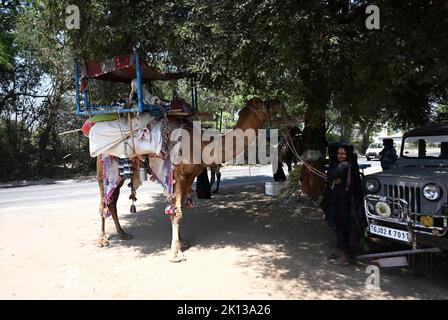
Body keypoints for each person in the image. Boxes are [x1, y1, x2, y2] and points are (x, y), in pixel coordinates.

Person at [324, 145, 367, 266]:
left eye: (343, 154)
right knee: (349, 231)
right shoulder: (351, 165)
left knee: (342, 229)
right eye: (339, 154)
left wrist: (333, 178)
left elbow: (330, 176)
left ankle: (345, 258)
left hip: (344, 204)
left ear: (347, 155)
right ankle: (351, 255)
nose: (341, 156)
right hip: (350, 204)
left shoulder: (343, 165)